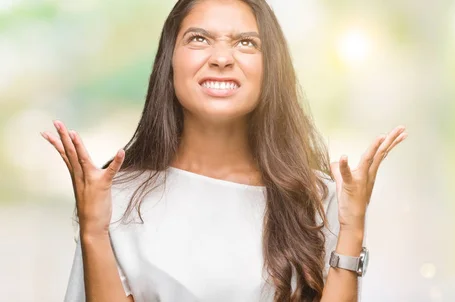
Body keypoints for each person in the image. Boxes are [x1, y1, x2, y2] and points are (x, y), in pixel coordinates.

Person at [40, 0, 407, 301]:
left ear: (271, 70)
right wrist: (93, 231)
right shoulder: (117, 196)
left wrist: (352, 227)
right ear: (169, 63)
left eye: (246, 43)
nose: (221, 58)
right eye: (199, 39)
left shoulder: (315, 197)